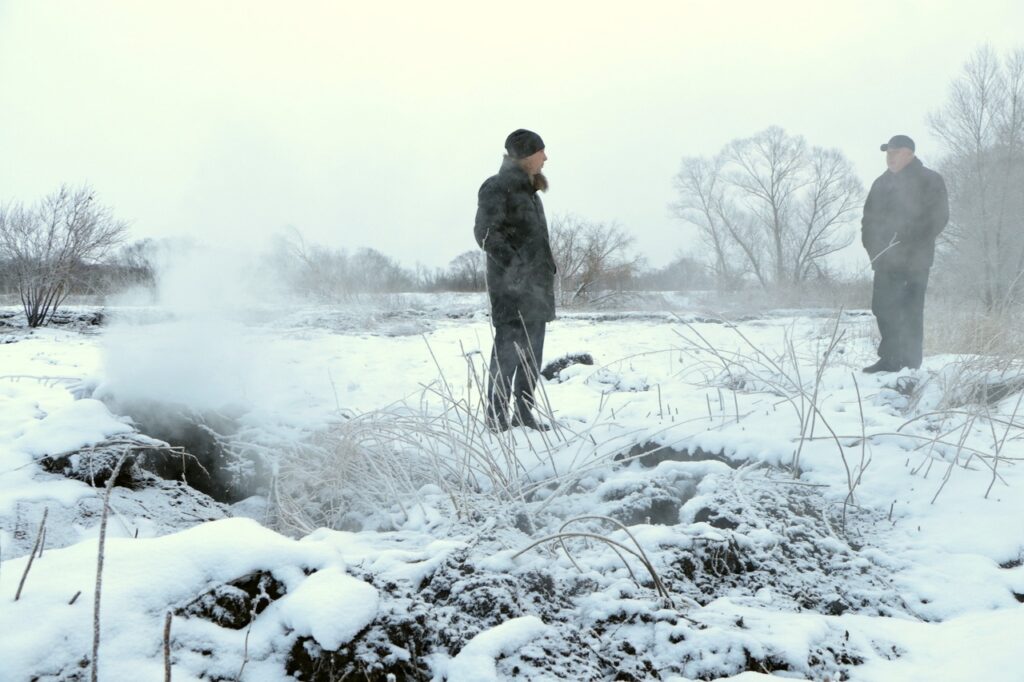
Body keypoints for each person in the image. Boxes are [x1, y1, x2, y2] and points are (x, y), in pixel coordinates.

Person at [474, 129, 556, 431]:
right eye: (541, 151)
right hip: (511, 291)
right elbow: (485, 234)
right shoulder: (497, 187)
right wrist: (516, 269)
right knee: (507, 354)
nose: (546, 157)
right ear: (525, 154)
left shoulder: (530, 193)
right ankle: (496, 418)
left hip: (537, 291)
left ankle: (523, 413)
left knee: (532, 356)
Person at [861, 134, 949, 373]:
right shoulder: (881, 183)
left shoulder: (929, 179)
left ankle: (909, 363)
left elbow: (939, 217)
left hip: (915, 261)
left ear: (909, 154)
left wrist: (908, 243)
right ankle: (890, 359)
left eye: (895, 152)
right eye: (887, 152)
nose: (889, 157)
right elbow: (868, 220)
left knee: (909, 310)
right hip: (884, 261)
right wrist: (874, 251)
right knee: (883, 307)